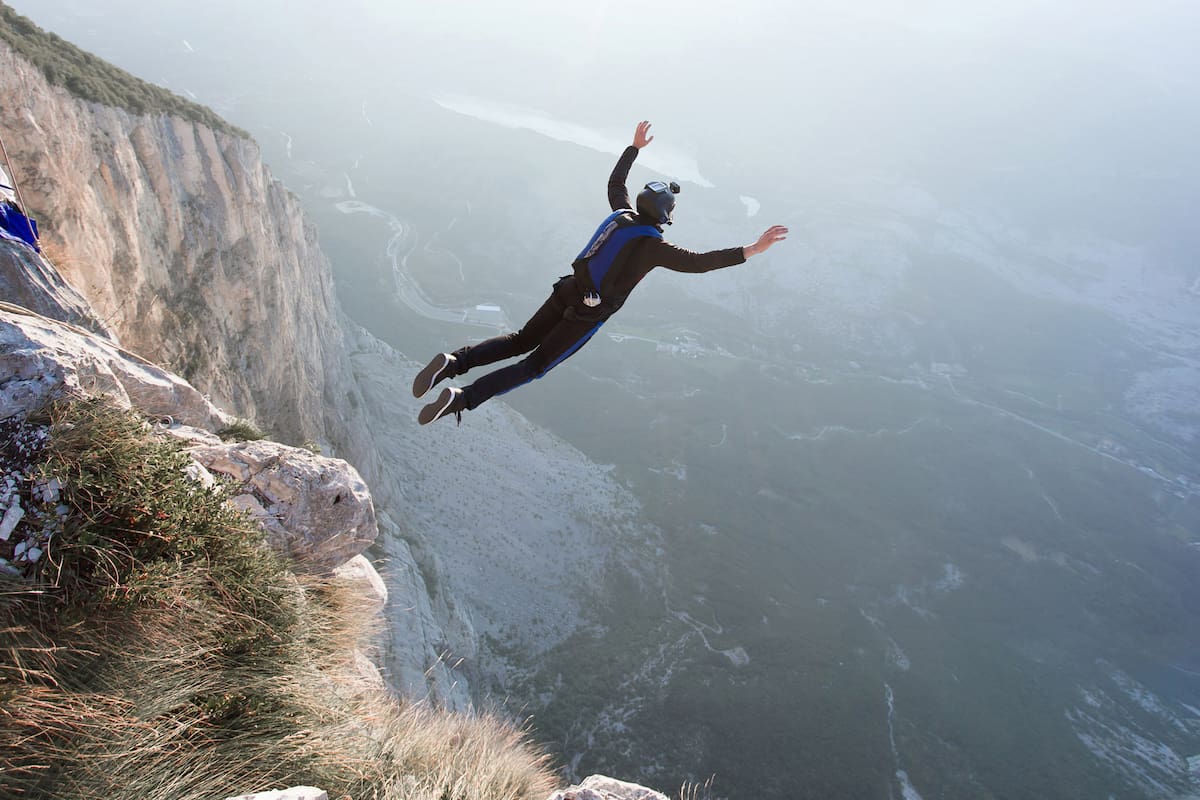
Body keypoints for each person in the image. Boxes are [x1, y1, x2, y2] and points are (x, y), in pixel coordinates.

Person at [413, 120, 788, 425]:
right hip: (588, 312)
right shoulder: (654, 247)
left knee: (518, 340)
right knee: (533, 366)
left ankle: (454, 363)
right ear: (664, 215)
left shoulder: (621, 214)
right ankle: (462, 398)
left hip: (568, 289)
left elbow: (616, 184)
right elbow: (699, 262)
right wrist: (752, 249)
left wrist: (634, 148)